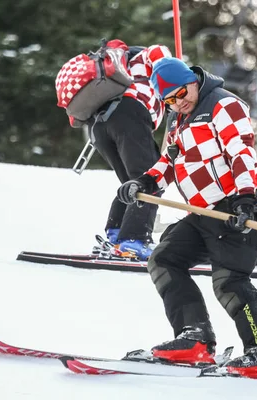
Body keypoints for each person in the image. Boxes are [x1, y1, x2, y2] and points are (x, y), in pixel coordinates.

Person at [116, 57, 257, 380]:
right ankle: (195, 338)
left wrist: (245, 198)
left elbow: (242, 151)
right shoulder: (178, 119)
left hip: (234, 206)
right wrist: (145, 182)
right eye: (169, 100)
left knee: (229, 281)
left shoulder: (223, 105)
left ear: (192, 80)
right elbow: (169, 161)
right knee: (164, 259)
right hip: (201, 211)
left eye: (181, 93)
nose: (178, 103)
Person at [88, 40, 172, 260]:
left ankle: (116, 234)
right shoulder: (147, 55)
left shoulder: (118, 72)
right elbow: (160, 54)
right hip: (129, 115)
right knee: (151, 179)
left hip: (99, 126)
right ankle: (134, 240)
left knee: (131, 182)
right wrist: (173, 71)